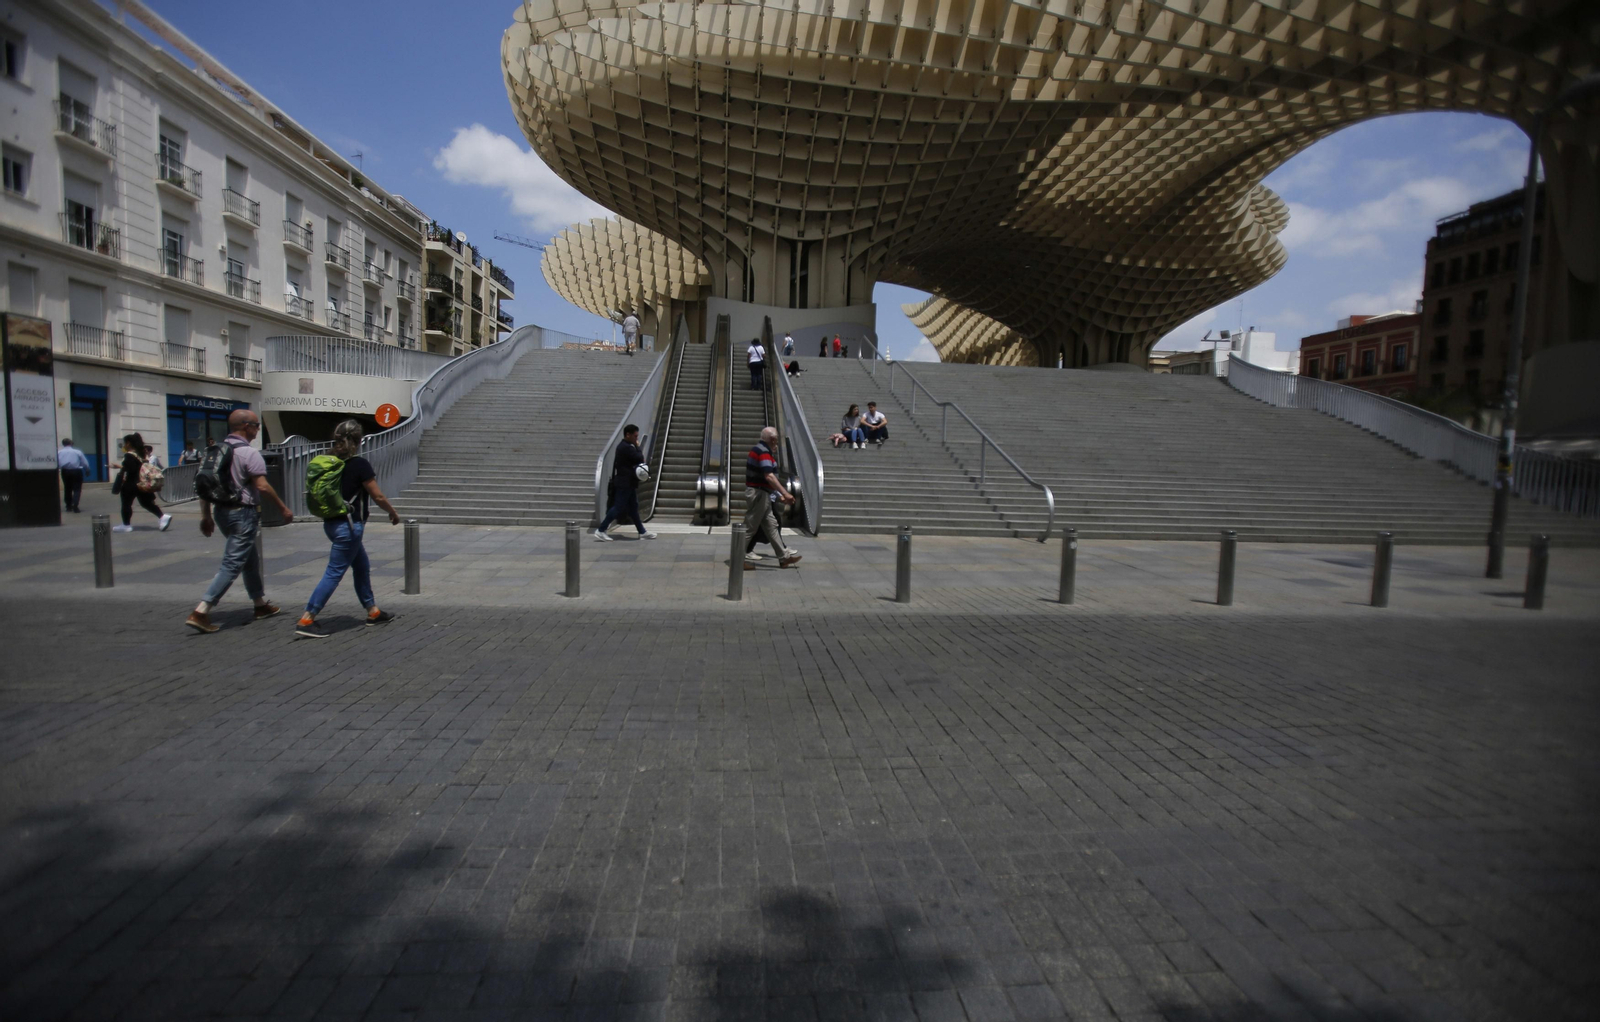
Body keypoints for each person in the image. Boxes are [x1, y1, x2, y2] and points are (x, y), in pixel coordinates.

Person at [184, 410, 294, 634]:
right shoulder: (248, 453)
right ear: (246, 427)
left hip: (221, 512)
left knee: (250, 558)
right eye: (256, 425)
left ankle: (259, 604)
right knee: (232, 563)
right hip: (243, 513)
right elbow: (262, 486)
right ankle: (202, 610)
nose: (257, 429)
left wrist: (205, 516)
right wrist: (283, 508)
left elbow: (204, 486)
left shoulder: (213, 452)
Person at [294, 420, 400, 639]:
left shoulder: (329, 461)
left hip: (331, 523)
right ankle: (307, 618)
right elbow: (377, 495)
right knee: (334, 572)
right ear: (359, 440)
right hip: (350, 526)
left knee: (361, 566)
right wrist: (392, 511)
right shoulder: (359, 464)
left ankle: (373, 611)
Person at [743, 426, 800, 569]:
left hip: (762, 494)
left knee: (772, 526)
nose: (777, 443)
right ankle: (737, 559)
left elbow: (766, 479)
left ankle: (783, 558)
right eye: (776, 440)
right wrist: (784, 493)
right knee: (750, 528)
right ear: (773, 439)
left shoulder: (761, 450)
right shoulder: (762, 452)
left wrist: (777, 495)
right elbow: (769, 476)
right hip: (759, 494)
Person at [594, 424, 657, 541]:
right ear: (628, 435)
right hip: (625, 483)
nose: (636, 439)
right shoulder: (626, 447)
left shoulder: (625, 446)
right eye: (635, 436)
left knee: (633, 508)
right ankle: (601, 529)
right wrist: (638, 447)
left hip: (628, 482)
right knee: (618, 507)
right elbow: (640, 458)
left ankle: (642, 532)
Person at [114, 433, 170, 533]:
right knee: (146, 503)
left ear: (128, 443)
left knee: (126, 504)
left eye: (125, 443)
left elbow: (131, 469)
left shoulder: (129, 455)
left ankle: (126, 525)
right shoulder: (141, 454)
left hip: (131, 484)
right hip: (142, 483)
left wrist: (121, 468)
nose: (124, 445)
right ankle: (162, 517)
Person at [57, 438, 90, 513]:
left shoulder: (59, 452)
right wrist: (87, 469)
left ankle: (68, 506)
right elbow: (84, 462)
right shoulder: (77, 452)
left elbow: (57, 462)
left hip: (65, 471)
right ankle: (75, 505)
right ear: (71, 443)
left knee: (67, 488)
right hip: (76, 471)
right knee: (77, 489)